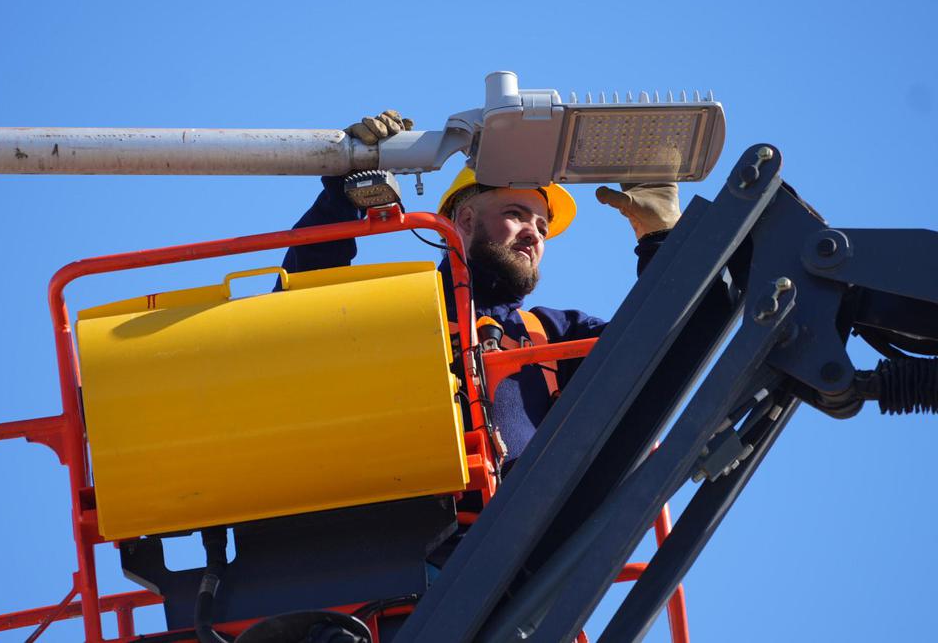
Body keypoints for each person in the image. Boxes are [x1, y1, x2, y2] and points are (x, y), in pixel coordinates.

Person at [281, 110, 682, 470]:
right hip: (399, 520)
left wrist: (661, 238)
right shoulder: (398, 306)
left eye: (542, 228)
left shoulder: (553, 333)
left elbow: (656, 345)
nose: (534, 234)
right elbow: (300, 303)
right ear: (466, 220)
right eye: (516, 215)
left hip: (516, 536)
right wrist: (342, 189)